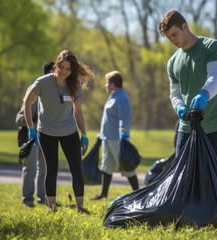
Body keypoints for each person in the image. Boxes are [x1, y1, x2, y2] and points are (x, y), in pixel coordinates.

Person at [159, 10, 217, 178]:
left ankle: (215, 206)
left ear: (184, 26)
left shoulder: (212, 47)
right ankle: (187, 206)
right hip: (187, 126)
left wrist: (204, 94)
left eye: (174, 34)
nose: (173, 41)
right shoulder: (172, 62)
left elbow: (216, 76)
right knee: (182, 176)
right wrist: (179, 106)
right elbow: (175, 92)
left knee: (213, 177)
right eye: (169, 38)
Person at [24, 50, 94, 213]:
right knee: (52, 168)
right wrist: (30, 128)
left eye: (68, 69)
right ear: (56, 65)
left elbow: (77, 111)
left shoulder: (74, 84)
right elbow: (27, 103)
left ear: (72, 70)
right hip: (47, 132)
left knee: (76, 168)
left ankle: (80, 207)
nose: (64, 71)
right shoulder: (43, 82)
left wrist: (83, 134)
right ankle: (52, 207)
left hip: (69, 132)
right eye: (61, 67)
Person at [91, 71, 139, 200]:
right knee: (107, 166)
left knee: (126, 166)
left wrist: (123, 134)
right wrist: (101, 134)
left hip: (117, 139)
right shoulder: (113, 95)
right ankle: (103, 194)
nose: (106, 85)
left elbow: (123, 118)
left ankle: (138, 194)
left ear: (112, 84)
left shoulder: (121, 97)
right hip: (107, 138)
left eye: (107, 82)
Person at [16, 61, 54, 207]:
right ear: (46, 72)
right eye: (53, 70)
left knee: (44, 168)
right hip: (32, 136)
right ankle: (27, 200)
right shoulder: (35, 88)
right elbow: (20, 117)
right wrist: (34, 127)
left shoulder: (55, 89)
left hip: (46, 135)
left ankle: (42, 198)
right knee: (30, 168)